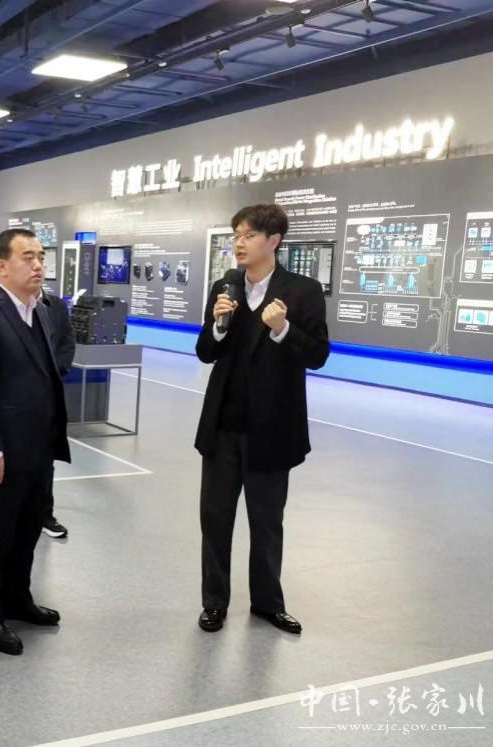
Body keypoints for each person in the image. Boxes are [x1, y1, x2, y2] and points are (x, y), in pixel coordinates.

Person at [194, 204, 330, 636]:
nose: (239, 242)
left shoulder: (303, 291)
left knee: (267, 522)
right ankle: (214, 602)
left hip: (271, 430)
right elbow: (205, 351)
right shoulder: (226, 287)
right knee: (215, 520)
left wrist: (283, 328)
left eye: (249, 235)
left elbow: (318, 355)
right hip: (223, 428)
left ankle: (268, 603)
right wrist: (219, 325)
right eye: (236, 234)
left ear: (274, 241)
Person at [0, 228, 71, 656]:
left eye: (41, 256)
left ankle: (17, 599)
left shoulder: (41, 312)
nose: (38, 265)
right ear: (2, 266)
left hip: (39, 448)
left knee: (27, 529)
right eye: (28, 257)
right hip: (3, 451)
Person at [38, 288, 75, 539]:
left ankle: (45, 515)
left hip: (48, 395)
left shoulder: (56, 306)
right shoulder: (3, 308)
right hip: (18, 400)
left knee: (45, 459)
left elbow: (67, 342)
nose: (37, 269)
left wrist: (54, 370)